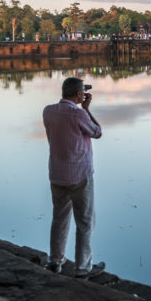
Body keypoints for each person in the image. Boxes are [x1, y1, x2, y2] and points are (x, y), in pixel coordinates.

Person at [42, 77, 105, 278]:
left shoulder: (48, 111)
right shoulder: (78, 114)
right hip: (80, 175)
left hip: (57, 174)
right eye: (82, 92)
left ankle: (55, 261)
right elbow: (97, 132)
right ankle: (82, 268)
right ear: (79, 94)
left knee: (59, 218)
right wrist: (86, 109)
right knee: (85, 222)